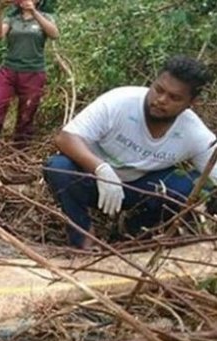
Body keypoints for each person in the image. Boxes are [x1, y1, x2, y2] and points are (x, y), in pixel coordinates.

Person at [43, 56, 214, 249]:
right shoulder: (120, 102)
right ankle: (83, 237)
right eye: (158, 89)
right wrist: (101, 169)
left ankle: (135, 231)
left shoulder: (193, 132)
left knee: (198, 187)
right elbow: (65, 138)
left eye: (174, 97)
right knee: (59, 167)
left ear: (192, 103)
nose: (160, 100)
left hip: (141, 189)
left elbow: (214, 176)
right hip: (95, 181)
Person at [0, 0, 59, 150]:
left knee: (25, 118)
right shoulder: (12, 18)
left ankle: (18, 154)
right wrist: (0, 10)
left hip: (34, 73)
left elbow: (54, 34)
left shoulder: (45, 17)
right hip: (9, 71)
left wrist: (34, 12)